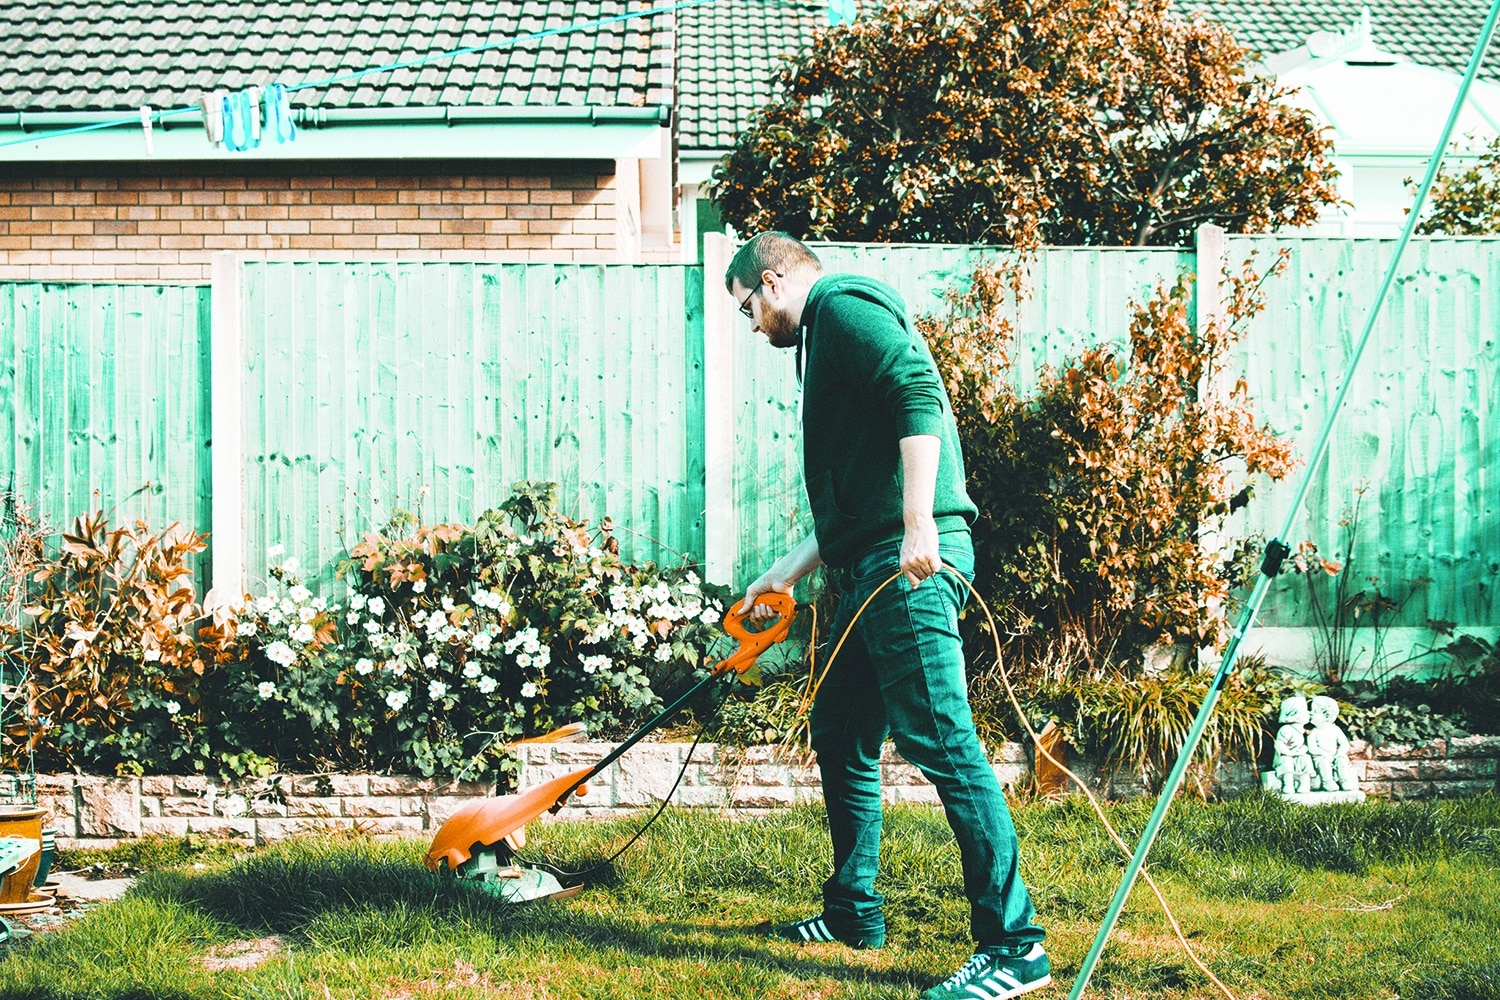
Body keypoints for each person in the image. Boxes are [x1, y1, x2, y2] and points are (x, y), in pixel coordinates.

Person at [726, 232, 1051, 1000]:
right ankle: (852, 912)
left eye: (746, 309)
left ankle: (1014, 948)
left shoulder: (843, 305)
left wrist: (917, 523)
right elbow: (852, 501)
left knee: (940, 738)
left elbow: (916, 391)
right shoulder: (823, 339)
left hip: (906, 567)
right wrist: (782, 573)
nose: (750, 326)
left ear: (773, 283)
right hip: (872, 563)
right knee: (839, 727)